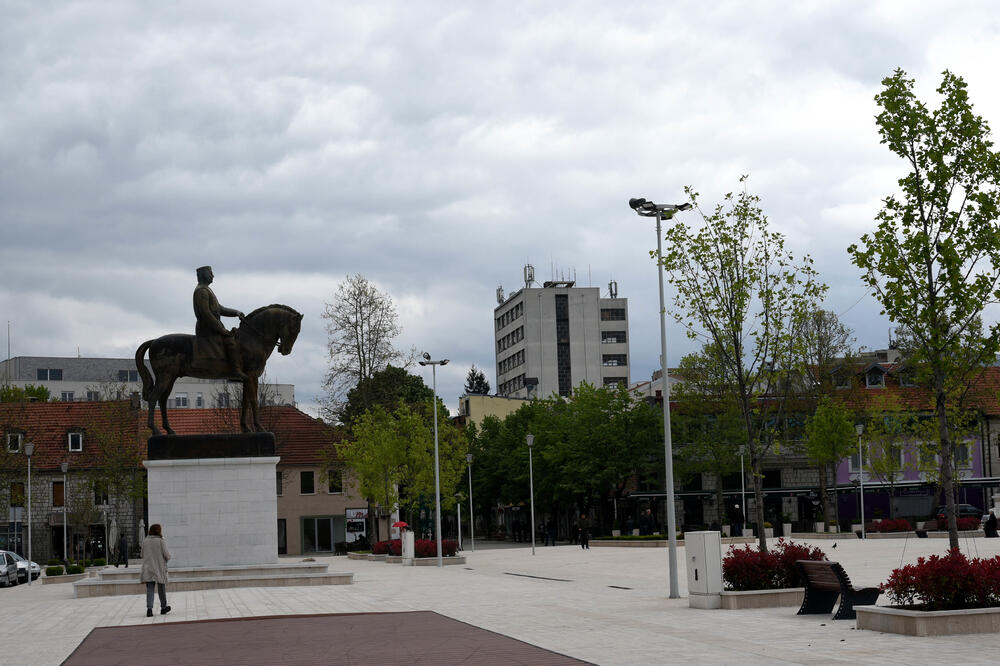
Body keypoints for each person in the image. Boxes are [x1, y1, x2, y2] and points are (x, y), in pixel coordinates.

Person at [193, 265, 247, 380]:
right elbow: (206, 314)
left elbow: (220, 309)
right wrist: (220, 328)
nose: (213, 275)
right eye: (210, 273)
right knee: (231, 342)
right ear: (204, 275)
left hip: (212, 326)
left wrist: (236, 313)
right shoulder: (201, 291)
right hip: (207, 328)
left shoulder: (207, 290)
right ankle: (235, 371)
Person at [140, 523, 171, 617]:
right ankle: (163, 607)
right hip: (159, 568)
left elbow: (142, 555)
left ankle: (149, 609)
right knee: (161, 588)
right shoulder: (161, 541)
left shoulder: (145, 541)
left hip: (148, 568)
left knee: (150, 588)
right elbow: (167, 555)